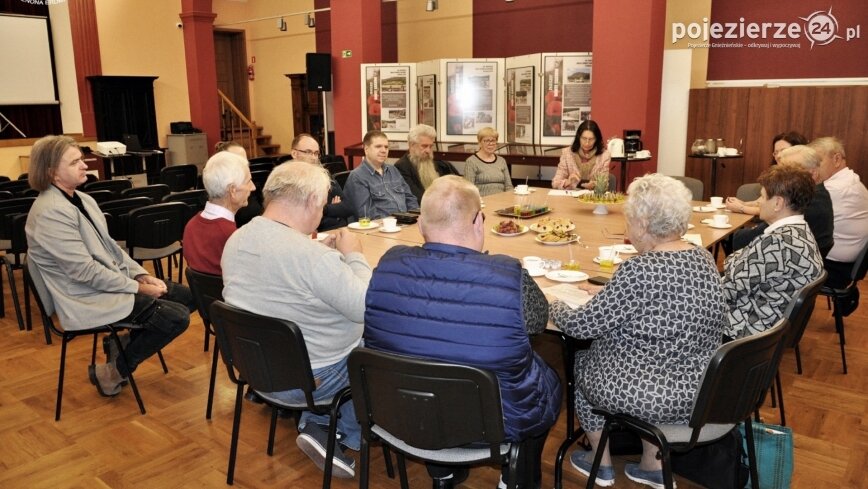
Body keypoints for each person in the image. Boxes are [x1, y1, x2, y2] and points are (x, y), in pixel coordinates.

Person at [364, 175, 561, 489]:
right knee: (547, 379)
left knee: (423, 357)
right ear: (478, 222)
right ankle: (520, 479)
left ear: (420, 225)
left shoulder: (387, 265)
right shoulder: (509, 274)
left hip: (406, 410)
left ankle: (440, 471)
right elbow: (538, 322)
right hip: (494, 423)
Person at [549, 174, 724, 488]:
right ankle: (651, 466)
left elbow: (580, 325)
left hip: (651, 394)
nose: (627, 230)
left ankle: (599, 464)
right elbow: (658, 309)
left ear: (644, 223)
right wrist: (605, 297)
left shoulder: (639, 270)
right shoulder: (704, 258)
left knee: (583, 361)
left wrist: (555, 304)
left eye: (629, 221)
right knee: (653, 353)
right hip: (701, 387)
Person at [221, 162, 371, 479]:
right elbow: (363, 305)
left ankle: (322, 425)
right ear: (308, 202)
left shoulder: (236, 240)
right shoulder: (312, 259)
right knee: (383, 337)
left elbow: (279, 276)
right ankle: (337, 430)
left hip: (257, 371)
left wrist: (319, 254)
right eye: (321, 205)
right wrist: (354, 255)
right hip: (312, 381)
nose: (321, 214)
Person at [25, 135, 192, 398]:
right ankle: (114, 371)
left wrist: (141, 274)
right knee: (175, 317)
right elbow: (84, 272)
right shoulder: (50, 212)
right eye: (75, 162)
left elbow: (111, 248)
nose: (84, 165)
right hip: (85, 296)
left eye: (81, 159)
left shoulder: (81, 198)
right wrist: (137, 288)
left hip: (108, 283)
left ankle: (120, 344)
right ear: (52, 172)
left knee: (187, 297)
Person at [722, 165, 824, 339]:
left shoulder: (777, 243)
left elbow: (727, 290)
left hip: (746, 331)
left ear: (778, 203)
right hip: (770, 322)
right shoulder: (801, 231)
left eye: (762, 197)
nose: (759, 202)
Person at [729, 145, 834, 256]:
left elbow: (742, 241)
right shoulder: (816, 195)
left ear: (813, 173)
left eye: (789, 171)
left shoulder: (803, 202)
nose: (780, 176)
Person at [182, 151, 255, 275]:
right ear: (232, 190)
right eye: (248, 181)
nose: (253, 187)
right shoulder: (231, 236)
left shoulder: (190, 226)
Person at [809, 137, 868, 289]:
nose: (812, 169)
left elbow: (791, 214)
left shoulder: (834, 189)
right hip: (847, 264)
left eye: (817, 162)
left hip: (833, 268)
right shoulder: (852, 181)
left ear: (836, 159)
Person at [725, 131, 808, 216]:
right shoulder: (778, 174)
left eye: (783, 151)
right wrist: (742, 203)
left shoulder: (798, 180)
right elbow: (761, 201)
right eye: (776, 152)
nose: (778, 156)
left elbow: (773, 210)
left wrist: (741, 208)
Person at [343, 130, 419, 220]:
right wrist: (394, 223)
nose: (383, 150)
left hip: (405, 224)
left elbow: (410, 198)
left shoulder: (393, 170)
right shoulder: (357, 177)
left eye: (386, 147)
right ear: (366, 149)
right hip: (379, 229)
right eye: (378, 146)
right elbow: (366, 214)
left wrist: (415, 217)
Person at [291, 133, 355, 230]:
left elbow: (348, 207)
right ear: (294, 153)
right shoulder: (287, 181)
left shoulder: (324, 175)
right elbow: (304, 219)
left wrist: (323, 209)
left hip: (339, 230)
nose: (313, 157)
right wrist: (333, 211)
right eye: (308, 152)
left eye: (316, 153)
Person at [394, 124, 459, 203]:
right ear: (411, 145)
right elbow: (416, 197)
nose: (428, 151)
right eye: (424, 146)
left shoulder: (440, 164)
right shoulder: (402, 167)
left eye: (431, 146)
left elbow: (458, 185)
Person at [551, 120, 611, 190]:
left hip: (592, 198)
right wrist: (568, 182)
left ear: (597, 139)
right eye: (584, 138)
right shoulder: (567, 153)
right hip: (571, 197)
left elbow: (605, 185)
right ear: (578, 137)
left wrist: (595, 185)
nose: (587, 143)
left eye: (591, 139)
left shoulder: (604, 155)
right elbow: (555, 183)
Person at [464, 126, 514, 196]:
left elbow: (509, 186)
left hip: (502, 200)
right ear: (480, 143)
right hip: (482, 202)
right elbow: (469, 190)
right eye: (486, 140)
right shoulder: (471, 161)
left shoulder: (501, 161)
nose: (490, 143)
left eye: (493, 140)